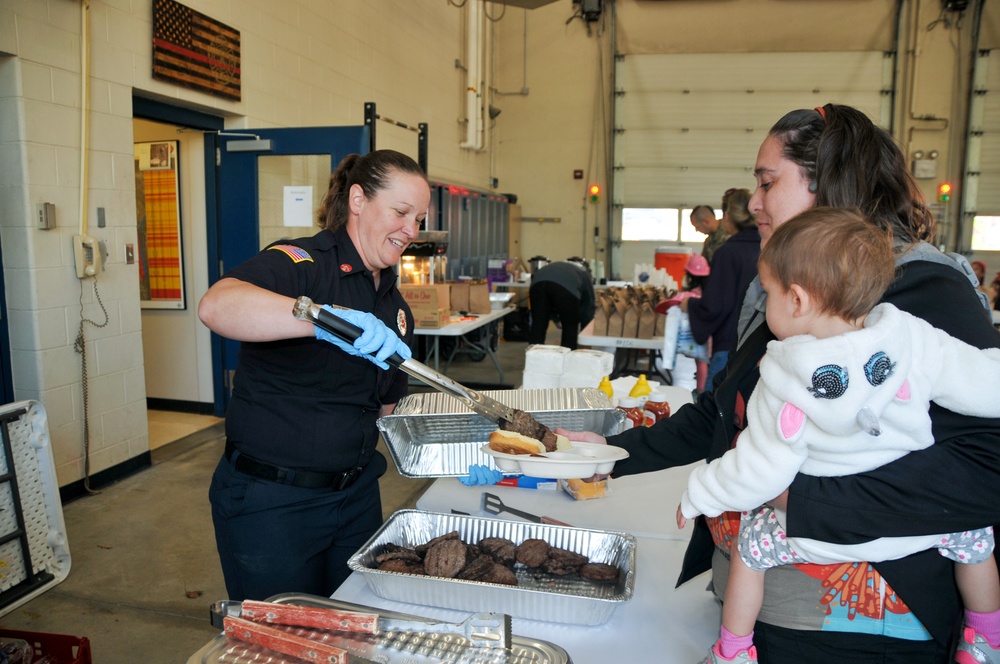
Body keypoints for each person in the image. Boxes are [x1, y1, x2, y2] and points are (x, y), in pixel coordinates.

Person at [561, 103, 1000, 662]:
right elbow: (729, 409)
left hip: (857, 628)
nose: (755, 202)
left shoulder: (924, 292)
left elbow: (984, 469)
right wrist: (614, 452)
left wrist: (795, 496)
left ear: (831, 185)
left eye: (768, 183)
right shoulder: (791, 284)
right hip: (763, 603)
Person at [676, 208, 1000, 664]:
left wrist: (700, 493)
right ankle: (984, 640)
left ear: (797, 300)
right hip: (916, 529)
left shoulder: (784, 372)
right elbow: (980, 383)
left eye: (768, 293)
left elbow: (762, 470)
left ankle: (733, 649)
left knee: (753, 546)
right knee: (976, 540)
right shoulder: (908, 334)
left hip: (818, 534)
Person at [197, 149, 428, 601]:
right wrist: (321, 319)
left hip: (356, 498)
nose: (411, 230)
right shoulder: (303, 263)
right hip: (273, 505)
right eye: (401, 212)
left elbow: (385, 408)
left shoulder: (395, 309)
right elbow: (217, 305)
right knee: (285, 640)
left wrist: (456, 445)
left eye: (419, 219)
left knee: (350, 626)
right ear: (358, 200)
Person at [683, 188, 760, 391]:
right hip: (761, 347)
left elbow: (715, 305)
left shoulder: (727, 253)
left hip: (729, 344)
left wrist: (690, 304)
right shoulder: (769, 247)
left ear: (727, 216)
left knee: (710, 410)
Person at [656, 253, 711, 392]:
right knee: (705, 363)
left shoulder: (690, 295)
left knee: (701, 363)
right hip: (713, 334)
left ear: (689, 275)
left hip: (700, 337)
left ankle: (701, 391)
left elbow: (672, 305)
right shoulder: (711, 291)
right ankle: (703, 389)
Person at [527, 259, 596, 349]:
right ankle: (568, 358)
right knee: (570, 327)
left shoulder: (561, 265)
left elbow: (548, 295)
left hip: (537, 283)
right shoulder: (585, 274)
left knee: (538, 325)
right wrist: (586, 336)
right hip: (566, 287)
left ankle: (533, 357)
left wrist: (556, 319)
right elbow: (588, 307)